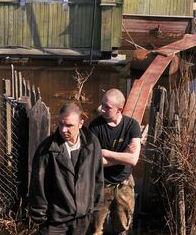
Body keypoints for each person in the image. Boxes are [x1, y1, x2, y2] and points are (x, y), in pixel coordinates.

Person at [29, 103, 104, 235]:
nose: (63, 130)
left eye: (69, 125)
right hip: (55, 221)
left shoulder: (92, 143)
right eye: (60, 124)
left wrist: (95, 208)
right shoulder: (46, 149)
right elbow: (38, 185)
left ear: (81, 123)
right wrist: (40, 216)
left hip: (82, 218)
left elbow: (98, 177)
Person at [89, 89, 142, 235]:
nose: (102, 109)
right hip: (101, 185)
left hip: (124, 185)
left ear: (120, 109)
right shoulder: (95, 127)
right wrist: (122, 156)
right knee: (95, 229)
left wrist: (106, 153)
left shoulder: (132, 125)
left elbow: (133, 159)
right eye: (102, 105)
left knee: (123, 228)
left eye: (107, 107)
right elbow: (94, 161)